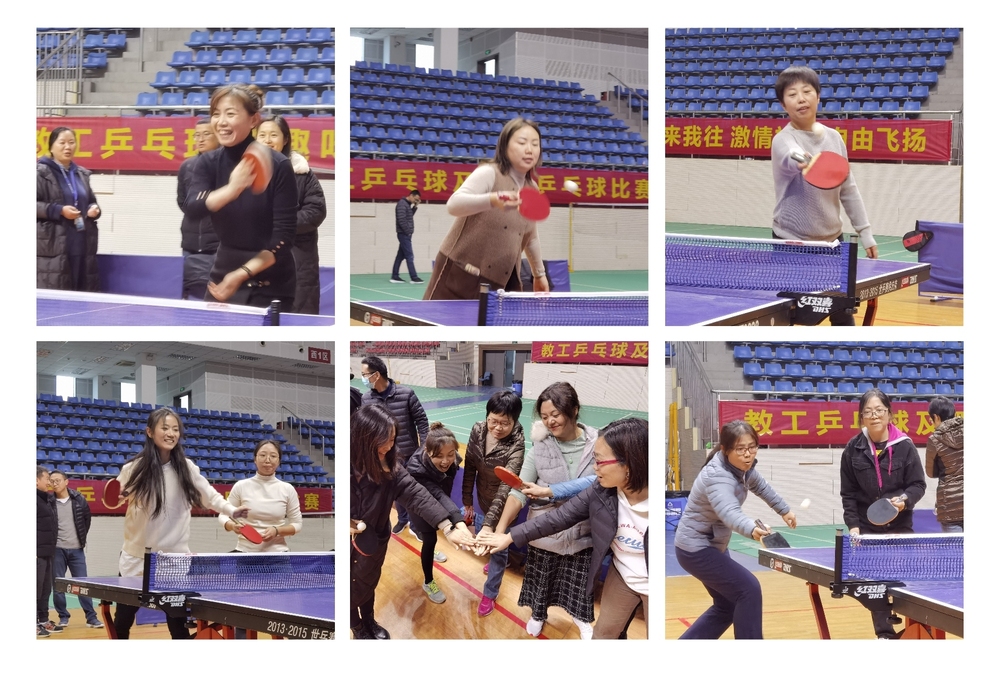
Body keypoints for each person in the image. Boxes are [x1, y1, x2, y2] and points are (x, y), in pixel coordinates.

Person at [479, 417, 649, 639]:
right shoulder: (601, 489)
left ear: (629, 464)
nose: (595, 468)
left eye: (600, 461)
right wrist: (509, 537)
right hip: (622, 576)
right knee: (604, 635)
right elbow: (559, 517)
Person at [111, 408, 249, 639]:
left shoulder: (187, 468)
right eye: (164, 428)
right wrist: (116, 499)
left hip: (174, 560)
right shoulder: (132, 469)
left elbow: (210, 496)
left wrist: (231, 510)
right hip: (136, 558)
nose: (171, 433)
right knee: (123, 619)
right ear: (149, 432)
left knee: (178, 625)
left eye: (175, 429)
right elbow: (117, 497)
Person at [349, 404, 476, 639]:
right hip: (347, 544)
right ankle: (357, 629)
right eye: (383, 440)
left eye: (392, 439)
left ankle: (369, 620)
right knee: (347, 589)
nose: (389, 446)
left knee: (368, 581)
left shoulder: (391, 467)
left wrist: (449, 527)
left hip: (374, 540)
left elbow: (417, 494)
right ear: (364, 437)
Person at [490, 381, 598, 639]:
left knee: (580, 585)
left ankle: (582, 618)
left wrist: (549, 491)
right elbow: (518, 492)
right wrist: (500, 531)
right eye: (545, 416)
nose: (550, 421)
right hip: (544, 531)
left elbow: (599, 484)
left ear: (574, 409)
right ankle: (538, 614)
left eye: (555, 414)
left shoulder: (598, 445)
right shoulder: (539, 447)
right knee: (541, 582)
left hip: (583, 533)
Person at [771, 65, 876, 325]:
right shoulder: (783, 139)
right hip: (792, 244)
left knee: (842, 313)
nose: (801, 99)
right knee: (792, 317)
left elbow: (848, 189)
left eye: (807, 91)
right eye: (792, 94)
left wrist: (865, 232)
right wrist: (805, 160)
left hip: (832, 244)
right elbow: (791, 155)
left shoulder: (834, 138)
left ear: (818, 96)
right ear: (783, 105)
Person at [673, 420, 796, 639]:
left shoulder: (743, 469)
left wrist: (784, 510)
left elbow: (761, 486)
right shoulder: (717, 476)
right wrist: (752, 529)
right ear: (725, 450)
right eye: (740, 449)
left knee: (727, 605)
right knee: (748, 589)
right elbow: (729, 511)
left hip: (712, 544)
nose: (748, 454)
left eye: (752, 447)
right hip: (695, 548)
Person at [181, 84, 297, 309]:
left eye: (230, 114)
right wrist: (232, 189)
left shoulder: (279, 165)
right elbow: (192, 208)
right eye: (216, 114)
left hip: (269, 280)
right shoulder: (207, 163)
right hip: (223, 273)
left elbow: (283, 240)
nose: (221, 122)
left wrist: (241, 274)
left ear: (254, 120)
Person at [423, 117, 550, 300]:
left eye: (535, 144)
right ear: (505, 146)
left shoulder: (532, 189)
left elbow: (531, 236)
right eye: (522, 142)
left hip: (501, 281)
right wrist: (492, 199)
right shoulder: (489, 172)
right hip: (461, 275)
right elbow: (454, 204)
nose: (529, 149)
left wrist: (539, 274)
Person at [840, 389, 926, 638]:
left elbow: (918, 485)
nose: (874, 415)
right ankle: (885, 634)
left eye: (879, 410)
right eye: (868, 411)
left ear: (889, 413)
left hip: (900, 526)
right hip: (867, 528)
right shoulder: (852, 449)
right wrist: (853, 526)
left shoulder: (905, 446)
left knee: (907, 581)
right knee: (875, 586)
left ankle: (917, 629)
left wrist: (904, 501)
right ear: (861, 417)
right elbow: (848, 494)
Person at [460, 390, 526, 617]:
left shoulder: (517, 443)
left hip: (505, 504)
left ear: (515, 421)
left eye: (504, 423)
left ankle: (490, 592)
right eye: (493, 421)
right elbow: (470, 466)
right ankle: (499, 557)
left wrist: (489, 526)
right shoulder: (478, 430)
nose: (497, 428)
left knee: (497, 542)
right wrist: (467, 500)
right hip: (482, 496)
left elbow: (506, 487)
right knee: (488, 538)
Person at [256, 115, 327, 313]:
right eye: (262, 135)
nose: (267, 140)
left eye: (273, 135)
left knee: (298, 317)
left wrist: (281, 226)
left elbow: (316, 211)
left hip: (297, 259)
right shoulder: (246, 173)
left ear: (285, 139)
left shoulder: (302, 173)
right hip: (257, 260)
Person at [360, 355, 429, 535]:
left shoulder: (406, 394)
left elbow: (422, 421)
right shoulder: (366, 398)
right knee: (393, 490)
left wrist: (423, 448)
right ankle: (402, 519)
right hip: (385, 457)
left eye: (364, 374)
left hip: (409, 454)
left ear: (376, 375)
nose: (363, 378)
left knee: (411, 491)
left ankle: (415, 526)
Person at [37, 126, 102, 291]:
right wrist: (59, 210)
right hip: (53, 248)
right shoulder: (40, 173)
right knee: (58, 297)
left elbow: (91, 201)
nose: (68, 147)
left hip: (82, 245)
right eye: (62, 142)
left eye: (72, 142)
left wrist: (94, 209)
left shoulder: (81, 174)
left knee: (80, 294)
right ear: (51, 146)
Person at [406, 422, 464, 604]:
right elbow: (436, 494)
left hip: (440, 497)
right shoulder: (415, 469)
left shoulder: (453, 457)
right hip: (419, 505)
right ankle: (428, 582)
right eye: (439, 456)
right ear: (427, 451)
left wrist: (457, 523)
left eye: (450, 454)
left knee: (433, 537)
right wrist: (458, 521)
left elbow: (442, 493)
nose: (446, 461)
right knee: (430, 539)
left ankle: (431, 551)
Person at [219, 439, 302, 551]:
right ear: (255, 459)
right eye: (263, 455)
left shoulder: (288, 489)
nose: (267, 460)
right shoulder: (241, 486)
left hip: (278, 553)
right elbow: (223, 515)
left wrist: (277, 530)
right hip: (245, 551)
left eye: (273, 456)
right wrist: (232, 526)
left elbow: (297, 524)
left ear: (279, 461)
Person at [48, 470, 103, 629]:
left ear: (66, 482)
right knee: (58, 585)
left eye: (58, 480)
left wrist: (80, 539)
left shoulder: (79, 499)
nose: (55, 483)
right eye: (52, 481)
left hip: (77, 550)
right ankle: (63, 617)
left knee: (83, 585)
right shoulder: (49, 501)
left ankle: (91, 618)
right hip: (57, 549)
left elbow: (86, 520)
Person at [178, 118, 220, 300]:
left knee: (216, 296)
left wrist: (206, 204)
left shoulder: (227, 165)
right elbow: (182, 201)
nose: (200, 139)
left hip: (218, 244)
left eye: (206, 134)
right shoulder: (187, 166)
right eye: (197, 135)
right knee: (189, 295)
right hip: (190, 243)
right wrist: (199, 206)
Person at [925, 396, 963, 532]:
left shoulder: (934, 439)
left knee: (955, 546)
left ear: (936, 417)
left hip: (949, 506)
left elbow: (930, 472)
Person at [36, 466, 62, 637]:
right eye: (46, 478)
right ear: (36, 480)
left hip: (48, 552)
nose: (50, 482)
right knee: (34, 590)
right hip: (37, 553)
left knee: (45, 590)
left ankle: (43, 620)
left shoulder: (47, 499)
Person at [390, 189, 423, 284]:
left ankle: (395, 276)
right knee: (409, 256)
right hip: (404, 234)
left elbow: (409, 216)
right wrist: (408, 232)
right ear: (411, 195)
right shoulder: (402, 204)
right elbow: (402, 220)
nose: (415, 201)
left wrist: (415, 207)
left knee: (400, 256)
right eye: (415, 199)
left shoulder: (406, 205)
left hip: (405, 234)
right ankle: (414, 277)